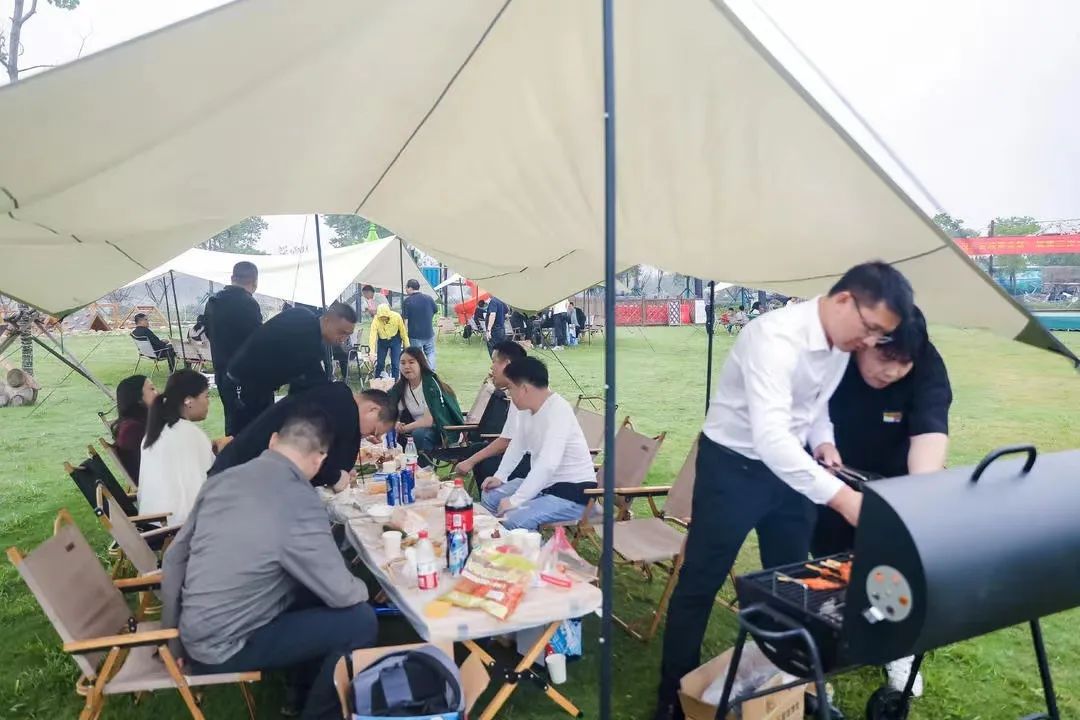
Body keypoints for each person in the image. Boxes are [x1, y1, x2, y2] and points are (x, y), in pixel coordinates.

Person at [653, 261, 913, 720]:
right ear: (844, 300)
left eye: (880, 335)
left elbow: (814, 407)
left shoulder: (839, 343)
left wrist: (824, 441)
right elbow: (770, 437)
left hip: (792, 469)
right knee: (700, 580)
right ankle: (674, 698)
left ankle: (785, 685)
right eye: (871, 328)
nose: (870, 342)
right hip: (732, 467)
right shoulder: (772, 337)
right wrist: (841, 497)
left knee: (792, 585)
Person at [161, 408, 377, 720]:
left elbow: (173, 558)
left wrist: (172, 639)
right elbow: (344, 594)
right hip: (226, 647)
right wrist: (364, 586)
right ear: (319, 460)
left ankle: (298, 693)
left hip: (193, 634)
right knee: (361, 620)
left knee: (310, 590)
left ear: (273, 441)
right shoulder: (302, 500)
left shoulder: (222, 480)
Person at [811, 306, 951, 698]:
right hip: (833, 470)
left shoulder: (927, 365)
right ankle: (833, 635)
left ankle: (896, 648)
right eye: (885, 359)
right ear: (865, 341)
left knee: (894, 564)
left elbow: (930, 434)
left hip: (895, 477)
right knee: (830, 557)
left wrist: (917, 498)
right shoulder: (836, 355)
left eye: (903, 364)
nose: (892, 372)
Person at [479, 357, 596, 530]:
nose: (509, 394)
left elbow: (548, 464)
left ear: (524, 389)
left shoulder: (558, 411)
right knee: (491, 496)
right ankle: (496, 539)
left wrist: (515, 501)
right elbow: (517, 445)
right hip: (544, 486)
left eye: (510, 388)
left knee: (513, 519)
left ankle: (528, 546)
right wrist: (500, 477)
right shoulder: (526, 410)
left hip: (572, 494)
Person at [211, 385, 398, 490]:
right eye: (374, 431)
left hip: (239, 470)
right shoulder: (343, 406)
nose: (369, 436)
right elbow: (314, 461)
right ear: (373, 409)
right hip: (240, 479)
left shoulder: (336, 395)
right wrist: (337, 476)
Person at [229, 301, 357, 409]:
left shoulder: (303, 315)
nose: (343, 339)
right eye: (341, 332)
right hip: (244, 384)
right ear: (327, 320)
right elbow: (308, 382)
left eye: (348, 335)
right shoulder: (307, 336)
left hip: (255, 383)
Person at [137, 370, 213, 525]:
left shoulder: (154, 432)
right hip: (180, 526)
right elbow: (213, 477)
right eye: (206, 396)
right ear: (188, 400)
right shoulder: (190, 433)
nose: (208, 402)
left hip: (153, 523)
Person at [449, 340, 529, 481]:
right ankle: (486, 492)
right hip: (521, 451)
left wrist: (470, 462)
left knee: (487, 462)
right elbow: (507, 438)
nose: (491, 367)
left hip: (534, 459)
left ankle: (491, 492)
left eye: (494, 362)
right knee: (476, 449)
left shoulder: (525, 394)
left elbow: (506, 442)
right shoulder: (518, 389)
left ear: (507, 364)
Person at [204, 261, 263, 436]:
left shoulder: (212, 302)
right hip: (246, 376)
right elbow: (257, 341)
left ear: (232, 278)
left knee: (231, 421)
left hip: (222, 373)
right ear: (255, 282)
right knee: (253, 426)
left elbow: (209, 333)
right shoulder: (248, 303)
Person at [387, 347, 464, 457]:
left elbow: (427, 421)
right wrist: (396, 423)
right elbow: (390, 410)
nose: (406, 366)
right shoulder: (401, 387)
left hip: (440, 430)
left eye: (411, 362)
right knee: (391, 434)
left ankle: (424, 467)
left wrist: (404, 428)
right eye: (403, 363)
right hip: (415, 428)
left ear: (420, 364)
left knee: (419, 434)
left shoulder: (430, 386)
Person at [110, 374, 157, 483]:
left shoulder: (135, 423)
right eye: (152, 389)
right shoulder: (132, 430)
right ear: (138, 398)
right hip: (156, 486)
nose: (158, 393)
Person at [402, 278, 439, 370]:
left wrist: (404, 335)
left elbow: (405, 320)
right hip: (428, 332)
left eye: (406, 287)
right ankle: (430, 372)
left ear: (410, 288)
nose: (405, 289)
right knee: (430, 353)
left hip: (414, 335)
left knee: (417, 355)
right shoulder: (429, 298)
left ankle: (419, 372)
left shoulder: (407, 301)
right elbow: (435, 310)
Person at [368, 304, 409, 379]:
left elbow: (403, 333)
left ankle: (395, 382)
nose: (383, 318)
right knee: (380, 363)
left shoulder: (397, 317)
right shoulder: (376, 319)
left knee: (395, 363)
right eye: (381, 317)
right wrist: (372, 352)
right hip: (382, 341)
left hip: (395, 340)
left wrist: (407, 347)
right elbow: (372, 336)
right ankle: (377, 380)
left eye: (385, 317)